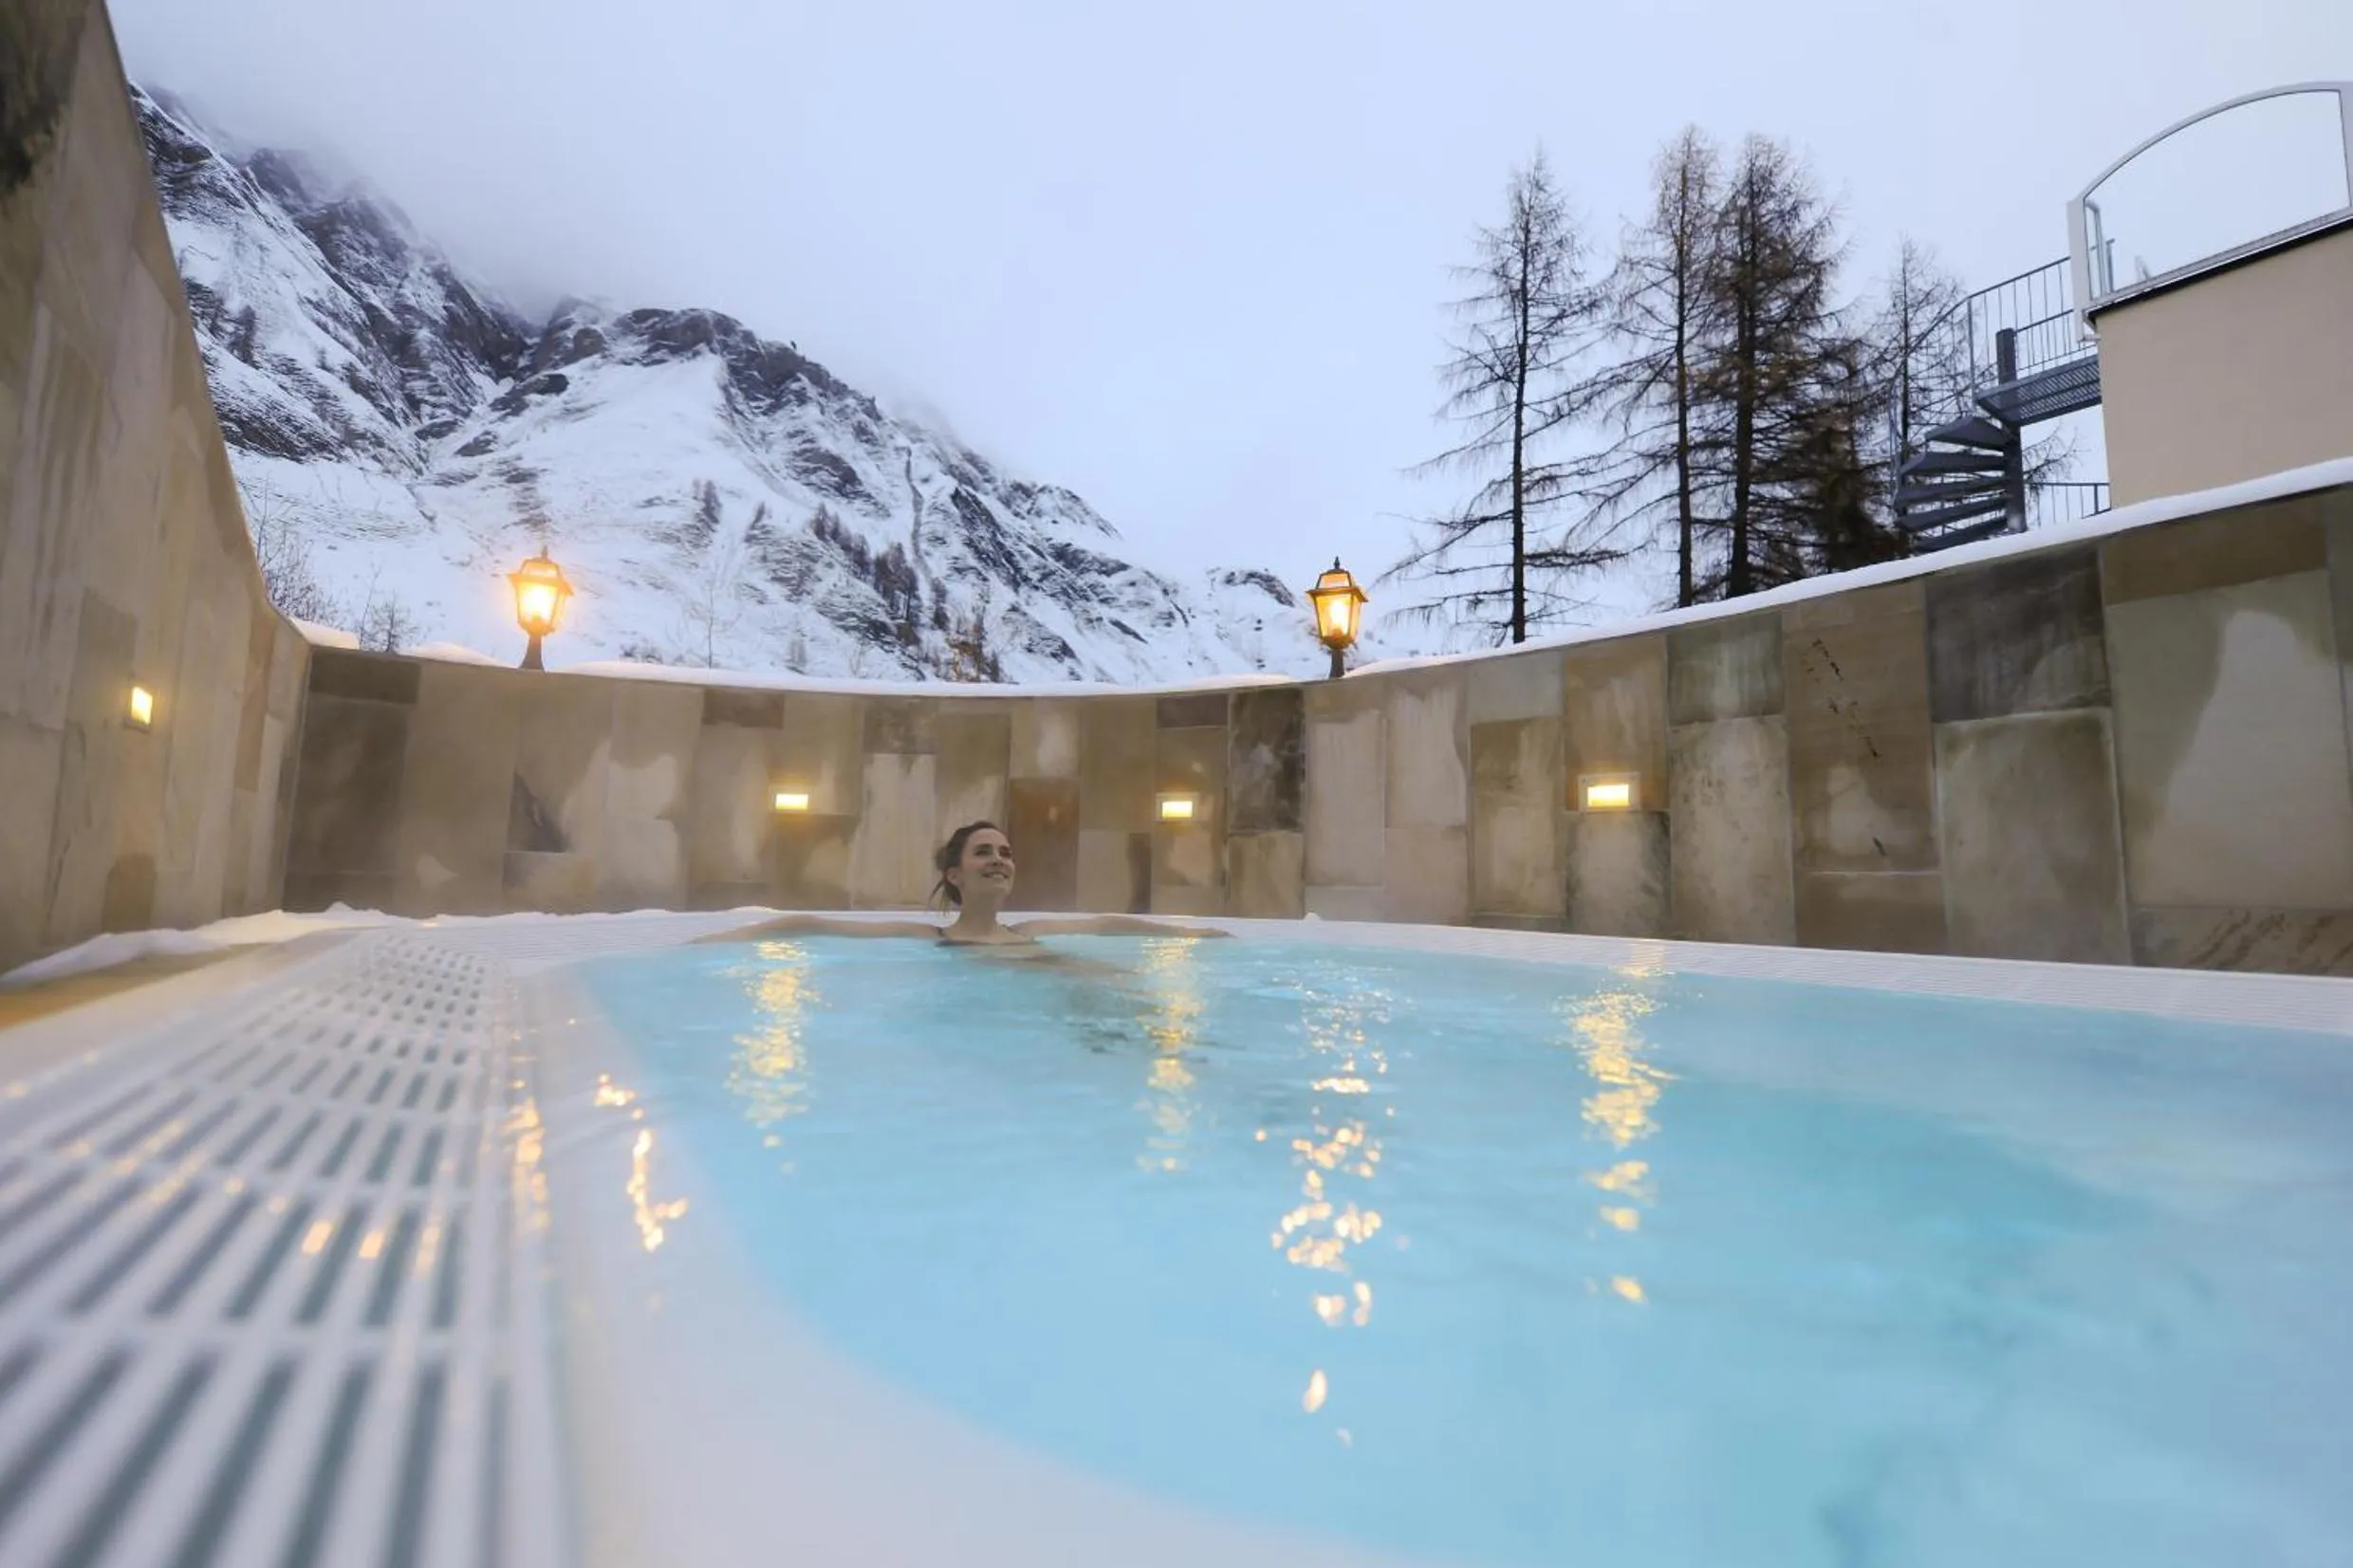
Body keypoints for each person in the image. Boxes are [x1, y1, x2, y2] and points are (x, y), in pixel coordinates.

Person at [695, 821, 1229, 955]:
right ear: (954, 875)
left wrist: (1190, 934)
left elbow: (1111, 924)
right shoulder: (931, 940)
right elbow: (810, 924)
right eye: (984, 852)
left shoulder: (1032, 930)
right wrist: (724, 939)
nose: (999, 860)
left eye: (1006, 853)